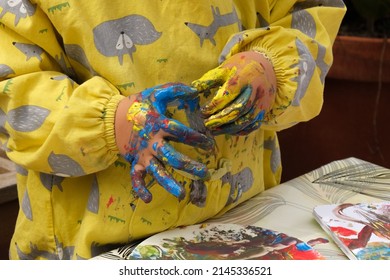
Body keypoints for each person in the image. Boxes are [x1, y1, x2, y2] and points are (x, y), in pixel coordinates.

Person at [0, 0, 346, 260]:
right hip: (88, 243)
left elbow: (309, 15)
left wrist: (274, 66)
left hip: (241, 218)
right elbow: (11, 84)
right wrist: (113, 122)